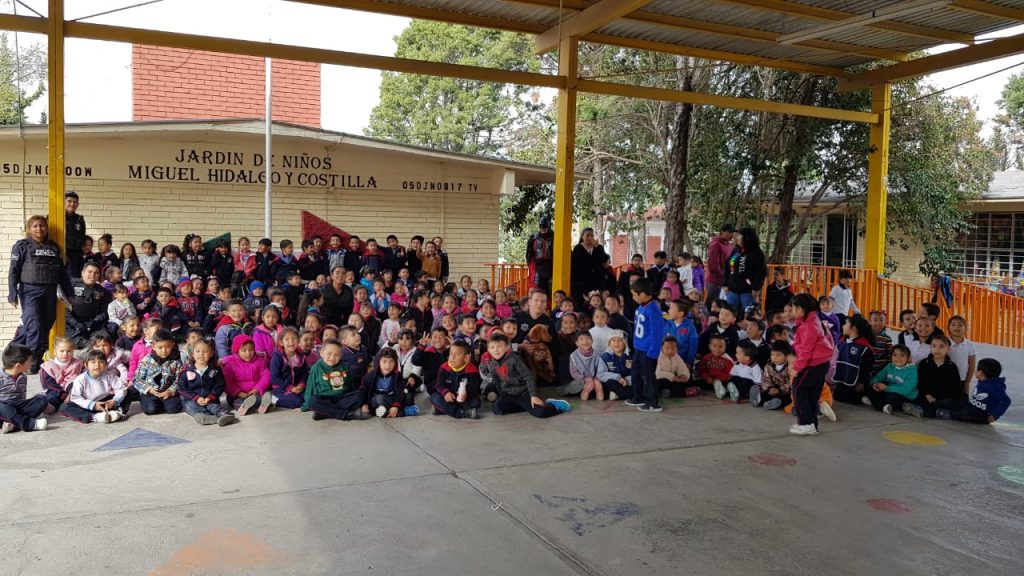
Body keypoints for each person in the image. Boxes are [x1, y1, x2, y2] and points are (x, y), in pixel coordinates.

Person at [8, 215, 76, 373]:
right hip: (29, 291)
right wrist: (12, 293)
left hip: (50, 291)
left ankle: (14, 353)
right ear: (29, 229)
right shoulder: (21, 246)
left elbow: (62, 273)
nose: (39, 228)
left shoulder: (53, 247)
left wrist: (69, 292)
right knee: (34, 327)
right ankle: (32, 362)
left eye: (42, 225)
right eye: (35, 226)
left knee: (45, 325)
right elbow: (13, 271)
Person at [480, 333, 570, 418]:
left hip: (523, 393)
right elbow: (497, 382)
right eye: (492, 347)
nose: (496, 350)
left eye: (499, 346)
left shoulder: (514, 359)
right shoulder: (493, 365)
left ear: (507, 347)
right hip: (509, 394)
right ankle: (526, 407)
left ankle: (553, 405)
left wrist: (533, 395)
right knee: (496, 409)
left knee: (541, 413)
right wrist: (502, 395)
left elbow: (529, 376)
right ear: (488, 349)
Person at [789, 293, 835, 435]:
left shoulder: (808, 326)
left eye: (793, 308)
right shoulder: (814, 320)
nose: (791, 311)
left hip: (813, 364)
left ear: (800, 310)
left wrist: (796, 368)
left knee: (799, 389)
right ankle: (812, 424)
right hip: (821, 363)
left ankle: (806, 423)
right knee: (811, 394)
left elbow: (805, 351)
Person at [303, 338, 369, 421]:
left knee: (360, 395)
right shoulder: (316, 367)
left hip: (342, 397)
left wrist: (358, 400)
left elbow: (350, 384)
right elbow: (310, 388)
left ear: (341, 356)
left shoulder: (344, 366)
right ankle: (347, 415)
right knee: (312, 401)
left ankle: (324, 413)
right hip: (324, 398)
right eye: (329, 353)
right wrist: (305, 406)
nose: (332, 357)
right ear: (322, 353)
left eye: (336, 355)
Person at [626, 278, 665, 413]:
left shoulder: (653, 309)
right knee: (636, 373)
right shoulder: (641, 307)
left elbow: (657, 332)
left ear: (642, 294)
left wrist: (653, 351)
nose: (633, 297)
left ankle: (653, 403)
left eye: (634, 294)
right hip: (638, 348)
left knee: (648, 376)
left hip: (648, 350)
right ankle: (638, 397)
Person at [59, 350, 129, 424]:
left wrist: (114, 401)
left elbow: (121, 388)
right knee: (64, 407)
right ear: (86, 365)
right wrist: (93, 405)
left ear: (106, 365)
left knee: (128, 392)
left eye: (101, 362)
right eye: (93, 362)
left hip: (106, 403)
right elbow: (76, 397)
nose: (97, 365)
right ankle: (95, 417)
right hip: (88, 405)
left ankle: (118, 412)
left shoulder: (109, 376)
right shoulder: (80, 379)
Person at [903, 335, 963, 418]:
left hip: (942, 398)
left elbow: (956, 388)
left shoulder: (952, 366)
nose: (937, 349)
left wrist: (941, 398)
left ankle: (923, 410)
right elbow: (921, 382)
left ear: (948, 349)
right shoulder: (924, 363)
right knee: (914, 396)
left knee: (955, 403)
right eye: (934, 346)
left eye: (941, 346)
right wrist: (927, 394)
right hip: (927, 396)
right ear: (930, 348)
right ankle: (936, 411)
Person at [938, 358, 1011, 423]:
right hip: (973, 408)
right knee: (962, 405)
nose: (975, 371)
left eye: (976, 369)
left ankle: (950, 414)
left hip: (981, 415)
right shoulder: (984, 382)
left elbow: (1006, 400)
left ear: (980, 372)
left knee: (965, 413)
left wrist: (995, 415)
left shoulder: (994, 387)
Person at [133, 329, 184, 415]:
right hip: (151, 392)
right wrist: (148, 389)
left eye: (167, 347)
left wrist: (171, 391)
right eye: (160, 348)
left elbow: (179, 380)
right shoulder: (147, 360)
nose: (164, 351)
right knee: (151, 409)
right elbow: (137, 379)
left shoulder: (176, 361)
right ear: (153, 346)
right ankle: (151, 402)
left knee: (173, 409)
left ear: (172, 345)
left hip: (167, 391)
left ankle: (164, 403)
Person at [0, 344, 48, 433]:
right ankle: (29, 424)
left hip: (17, 408)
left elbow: (22, 400)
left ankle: (13, 424)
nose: (31, 364)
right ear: (18, 365)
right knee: (2, 407)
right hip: (3, 411)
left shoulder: (23, 377)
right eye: (29, 361)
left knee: (42, 399)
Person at [222, 334, 273, 416]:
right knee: (237, 401)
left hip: (255, 393)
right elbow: (227, 382)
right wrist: (238, 392)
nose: (248, 353)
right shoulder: (230, 364)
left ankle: (263, 405)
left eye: (251, 350)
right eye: (244, 350)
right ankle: (243, 406)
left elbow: (266, 376)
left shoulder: (259, 361)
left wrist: (257, 388)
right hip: (237, 395)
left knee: (259, 398)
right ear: (237, 351)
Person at [430, 340, 482, 419]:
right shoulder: (444, 368)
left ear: (466, 357)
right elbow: (439, 384)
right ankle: (462, 413)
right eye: (451, 353)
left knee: (476, 401)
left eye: (457, 354)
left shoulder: (472, 370)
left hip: (463, 399)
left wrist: (466, 394)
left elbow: (474, 388)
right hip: (448, 397)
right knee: (434, 397)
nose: (452, 357)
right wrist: (445, 392)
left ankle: (443, 409)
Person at [722, 227, 766, 315]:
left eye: (739, 235)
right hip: (732, 290)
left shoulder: (757, 253)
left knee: (748, 314)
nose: (737, 237)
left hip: (748, 291)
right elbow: (727, 266)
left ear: (746, 237)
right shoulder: (736, 250)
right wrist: (725, 284)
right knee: (729, 313)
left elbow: (761, 272)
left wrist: (756, 288)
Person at [832, 315, 875, 404]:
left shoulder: (864, 346)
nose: (843, 326)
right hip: (842, 377)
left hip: (856, 380)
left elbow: (866, 367)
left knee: (853, 399)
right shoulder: (841, 341)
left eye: (846, 324)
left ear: (854, 328)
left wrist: (861, 382)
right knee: (838, 397)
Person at [866, 344, 918, 415]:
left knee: (891, 397)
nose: (898, 358)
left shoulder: (911, 371)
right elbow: (878, 377)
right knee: (868, 387)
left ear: (908, 358)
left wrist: (886, 388)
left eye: (902, 355)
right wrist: (875, 384)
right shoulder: (890, 366)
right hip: (889, 391)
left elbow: (906, 390)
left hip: (905, 396)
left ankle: (878, 404)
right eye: (895, 355)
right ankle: (883, 405)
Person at [39, 337, 83, 414]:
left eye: (68, 351)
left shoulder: (77, 364)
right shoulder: (48, 366)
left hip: (72, 390)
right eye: (62, 351)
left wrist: (71, 392)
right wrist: (63, 394)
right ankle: (48, 406)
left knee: (77, 389)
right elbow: (49, 384)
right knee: (51, 397)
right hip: (55, 391)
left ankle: (72, 403)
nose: (65, 354)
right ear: (55, 352)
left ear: (73, 352)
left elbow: (80, 378)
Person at [269, 327, 308, 410]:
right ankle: (274, 400)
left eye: (294, 338)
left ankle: (295, 396)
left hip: (297, 387)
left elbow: (304, 373)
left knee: (309, 398)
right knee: (298, 402)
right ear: (281, 342)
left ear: (298, 340)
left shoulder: (301, 355)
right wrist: (290, 388)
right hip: (281, 388)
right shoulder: (277, 357)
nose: (291, 342)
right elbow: (274, 378)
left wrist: (301, 384)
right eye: (287, 339)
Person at [361, 347, 407, 418]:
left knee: (408, 397)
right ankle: (404, 411)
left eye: (391, 361)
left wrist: (396, 406)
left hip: (391, 399)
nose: (388, 365)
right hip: (377, 399)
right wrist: (364, 404)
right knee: (379, 398)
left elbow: (399, 392)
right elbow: (363, 391)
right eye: (384, 361)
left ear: (395, 363)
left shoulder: (397, 376)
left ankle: (384, 412)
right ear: (378, 362)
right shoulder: (370, 376)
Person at [569, 228, 608, 309]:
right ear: (582, 237)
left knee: (597, 305)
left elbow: (604, 260)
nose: (590, 238)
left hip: (596, 282)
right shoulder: (578, 248)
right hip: (581, 282)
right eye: (587, 235)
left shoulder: (599, 248)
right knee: (581, 305)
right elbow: (576, 264)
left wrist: (597, 247)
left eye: (592, 236)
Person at [751, 341, 792, 410]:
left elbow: (790, 382)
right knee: (765, 394)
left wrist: (780, 390)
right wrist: (770, 388)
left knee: (785, 398)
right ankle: (758, 400)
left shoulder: (790, 367)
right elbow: (766, 379)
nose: (774, 358)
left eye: (778, 355)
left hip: (784, 391)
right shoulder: (769, 365)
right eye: (772, 355)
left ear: (787, 356)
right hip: (772, 388)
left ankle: (775, 403)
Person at [705, 223, 734, 306]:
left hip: (725, 279)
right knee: (712, 303)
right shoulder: (716, 244)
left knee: (720, 304)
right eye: (729, 232)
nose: (731, 234)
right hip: (715, 279)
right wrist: (721, 275)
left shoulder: (728, 245)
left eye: (732, 232)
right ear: (722, 232)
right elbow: (713, 263)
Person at [946, 316, 977, 396]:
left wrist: (967, 382)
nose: (956, 327)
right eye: (953, 325)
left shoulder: (970, 345)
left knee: (963, 400)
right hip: (946, 379)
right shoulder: (944, 342)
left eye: (960, 325)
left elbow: (972, 365)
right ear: (948, 328)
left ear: (965, 328)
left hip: (962, 379)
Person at [569, 331, 603, 401]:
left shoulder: (597, 354)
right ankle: (585, 391)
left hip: (596, 378)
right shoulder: (573, 356)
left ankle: (598, 391)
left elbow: (600, 368)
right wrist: (584, 378)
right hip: (581, 379)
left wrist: (596, 378)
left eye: (588, 338)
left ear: (592, 340)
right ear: (577, 343)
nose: (585, 341)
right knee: (588, 383)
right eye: (581, 339)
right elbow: (574, 372)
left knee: (597, 383)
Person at [525, 216, 555, 294]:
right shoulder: (534, 237)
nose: (543, 229)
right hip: (538, 266)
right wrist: (530, 263)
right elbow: (529, 252)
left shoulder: (555, 236)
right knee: (537, 288)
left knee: (551, 288)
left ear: (548, 226)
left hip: (551, 266)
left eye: (545, 227)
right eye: (541, 227)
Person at [64, 191, 87, 278]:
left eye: (75, 202)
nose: (72, 204)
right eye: (69, 201)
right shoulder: (57, 217)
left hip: (76, 255)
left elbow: (83, 235)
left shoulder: (79, 219)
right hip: (61, 252)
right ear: (64, 202)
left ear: (78, 204)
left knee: (74, 278)